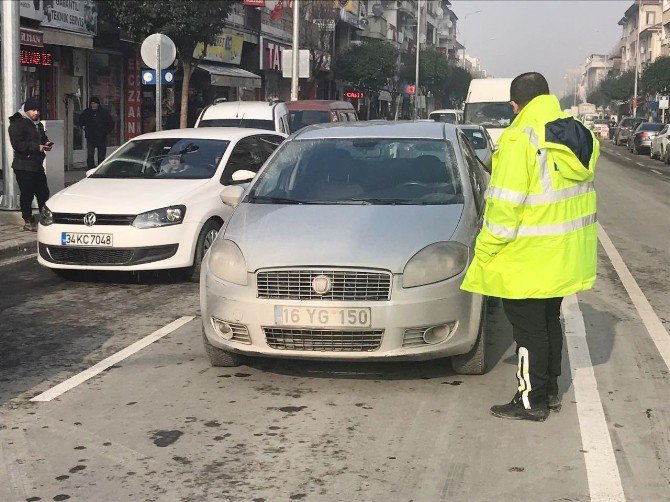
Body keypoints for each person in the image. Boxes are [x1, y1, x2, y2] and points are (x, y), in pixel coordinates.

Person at [461, 72, 599, 422]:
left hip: (526, 257)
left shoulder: (519, 138)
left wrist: (485, 249)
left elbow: (505, 207)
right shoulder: (578, 133)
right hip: (564, 254)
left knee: (527, 332)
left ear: (515, 105)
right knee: (549, 322)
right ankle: (549, 391)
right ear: (548, 96)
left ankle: (529, 400)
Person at [8, 97, 52, 231]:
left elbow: (42, 137)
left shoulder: (38, 124)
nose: (36, 113)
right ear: (26, 110)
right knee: (27, 193)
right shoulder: (18, 123)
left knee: (43, 193)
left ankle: (45, 219)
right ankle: (27, 219)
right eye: (33, 110)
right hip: (23, 165)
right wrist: (37, 147)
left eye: (38, 110)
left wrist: (47, 143)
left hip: (37, 164)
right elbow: (17, 144)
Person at [79, 97, 114, 169]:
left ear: (98, 104)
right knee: (90, 154)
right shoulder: (87, 112)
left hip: (102, 137)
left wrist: (106, 132)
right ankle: (90, 168)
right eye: (92, 103)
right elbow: (80, 120)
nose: (93, 105)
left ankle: (100, 169)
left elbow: (111, 123)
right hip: (91, 137)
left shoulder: (104, 112)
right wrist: (84, 127)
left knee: (101, 156)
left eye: (95, 103)